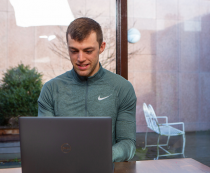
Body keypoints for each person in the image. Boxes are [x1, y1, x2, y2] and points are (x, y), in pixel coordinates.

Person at [37, 17, 136, 162]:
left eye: (88, 51)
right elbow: (45, 142)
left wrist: (104, 156)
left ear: (101, 47)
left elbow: (128, 144)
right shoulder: (51, 89)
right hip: (62, 171)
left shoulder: (122, 88)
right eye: (74, 51)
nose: (80, 58)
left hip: (106, 171)